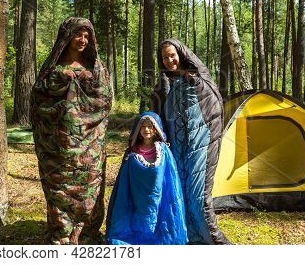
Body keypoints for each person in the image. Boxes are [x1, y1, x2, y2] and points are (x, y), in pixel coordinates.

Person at [30, 17, 112, 245]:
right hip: (57, 146)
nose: (83, 40)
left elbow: (105, 101)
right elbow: (38, 102)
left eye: (87, 36)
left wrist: (83, 115)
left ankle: (87, 234)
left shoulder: (96, 68)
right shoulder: (51, 69)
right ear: (66, 37)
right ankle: (62, 234)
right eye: (78, 35)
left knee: (90, 188)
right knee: (59, 189)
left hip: (90, 145)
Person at [151, 38, 229, 245]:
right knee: (179, 191)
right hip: (177, 146)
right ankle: (188, 237)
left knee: (198, 196)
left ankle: (213, 241)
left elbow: (213, 109)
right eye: (165, 57)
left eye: (172, 55)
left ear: (181, 54)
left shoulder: (197, 78)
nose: (169, 60)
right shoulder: (164, 82)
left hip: (200, 145)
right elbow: (157, 114)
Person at [106, 111, 187, 245]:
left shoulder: (162, 150)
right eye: (143, 126)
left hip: (158, 194)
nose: (146, 130)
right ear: (138, 129)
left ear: (156, 129)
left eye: (150, 126)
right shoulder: (133, 151)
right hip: (137, 195)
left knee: (157, 214)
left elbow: (169, 174)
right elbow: (126, 179)